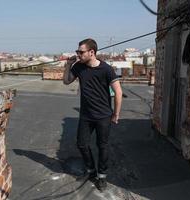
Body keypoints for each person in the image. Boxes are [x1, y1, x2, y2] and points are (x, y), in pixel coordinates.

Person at [63, 38, 122, 191]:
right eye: (77, 51)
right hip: (86, 116)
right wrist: (68, 64)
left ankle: (102, 177)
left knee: (102, 146)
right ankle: (91, 171)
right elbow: (66, 81)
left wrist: (116, 113)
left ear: (92, 52)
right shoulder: (78, 66)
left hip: (103, 116)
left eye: (81, 52)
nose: (78, 54)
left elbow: (118, 92)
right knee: (82, 144)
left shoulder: (106, 69)